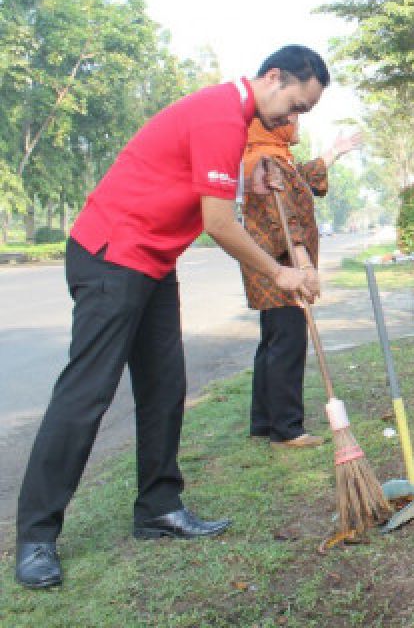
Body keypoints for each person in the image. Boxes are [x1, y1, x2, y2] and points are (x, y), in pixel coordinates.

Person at [14, 45, 329, 590]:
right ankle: (36, 537)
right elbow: (219, 224)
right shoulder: (218, 114)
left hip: (153, 263)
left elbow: (196, 183)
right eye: (295, 105)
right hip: (112, 255)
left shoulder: (232, 122)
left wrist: (245, 181)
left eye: (302, 113)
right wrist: (279, 274)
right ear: (273, 76)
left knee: (165, 387)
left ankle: (159, 507)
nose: (292, 120)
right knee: (87, 392)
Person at [241, 118, 362, 448]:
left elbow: (300, 183)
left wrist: (333, 153)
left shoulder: (273, 157)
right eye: (292, 120)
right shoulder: (265, 163)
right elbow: (285, 219)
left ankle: (263, 422)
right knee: (288, 343)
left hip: (270, 268)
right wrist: (305, 267)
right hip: (281, 267)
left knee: (273, 341)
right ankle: (287, 429)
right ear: (275, 125)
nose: (296, 127)